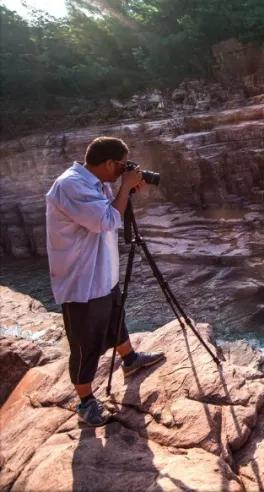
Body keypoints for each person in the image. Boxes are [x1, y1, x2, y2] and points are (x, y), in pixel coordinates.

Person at [45, 136, 165, 427]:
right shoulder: (70, 185)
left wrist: (126, 189)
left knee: (115, 317)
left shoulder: (93, 182)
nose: (123, 171)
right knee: (85, 344)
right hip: (81, 280)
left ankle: (130, 359)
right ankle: (85, 402)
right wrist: (124, 187)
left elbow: (109, 212)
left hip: (101, 273)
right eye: (121, 166)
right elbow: (105, 221)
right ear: (109, 163)